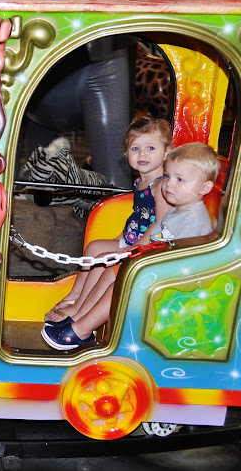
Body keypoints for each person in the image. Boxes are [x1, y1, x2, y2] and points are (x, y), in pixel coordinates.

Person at [42, 142, 220, 350]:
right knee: (111, 269)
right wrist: (130, 252)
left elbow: (181, 260)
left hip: (174, 280)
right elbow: (156, 239)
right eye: (168, 176)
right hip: (155, 268)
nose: (169, 184)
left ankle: (82, 330)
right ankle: (81, 318)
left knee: (120, 284)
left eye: (179, 179)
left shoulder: (193, 220)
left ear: (204, 188)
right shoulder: (177, 210)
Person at [44, 115, 172, 325]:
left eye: (150, 148)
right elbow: (138, 216)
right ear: (126, 153)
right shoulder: (140, 182)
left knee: (103, 259)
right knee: (94, 247)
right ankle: (75, 294)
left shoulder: (160, 186)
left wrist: (134, 248)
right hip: (132, 240)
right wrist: (121, 238)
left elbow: (160, 224)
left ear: (166, 152)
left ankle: (80, 308)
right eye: (135, 148)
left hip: (147, 247)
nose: (142, 154)